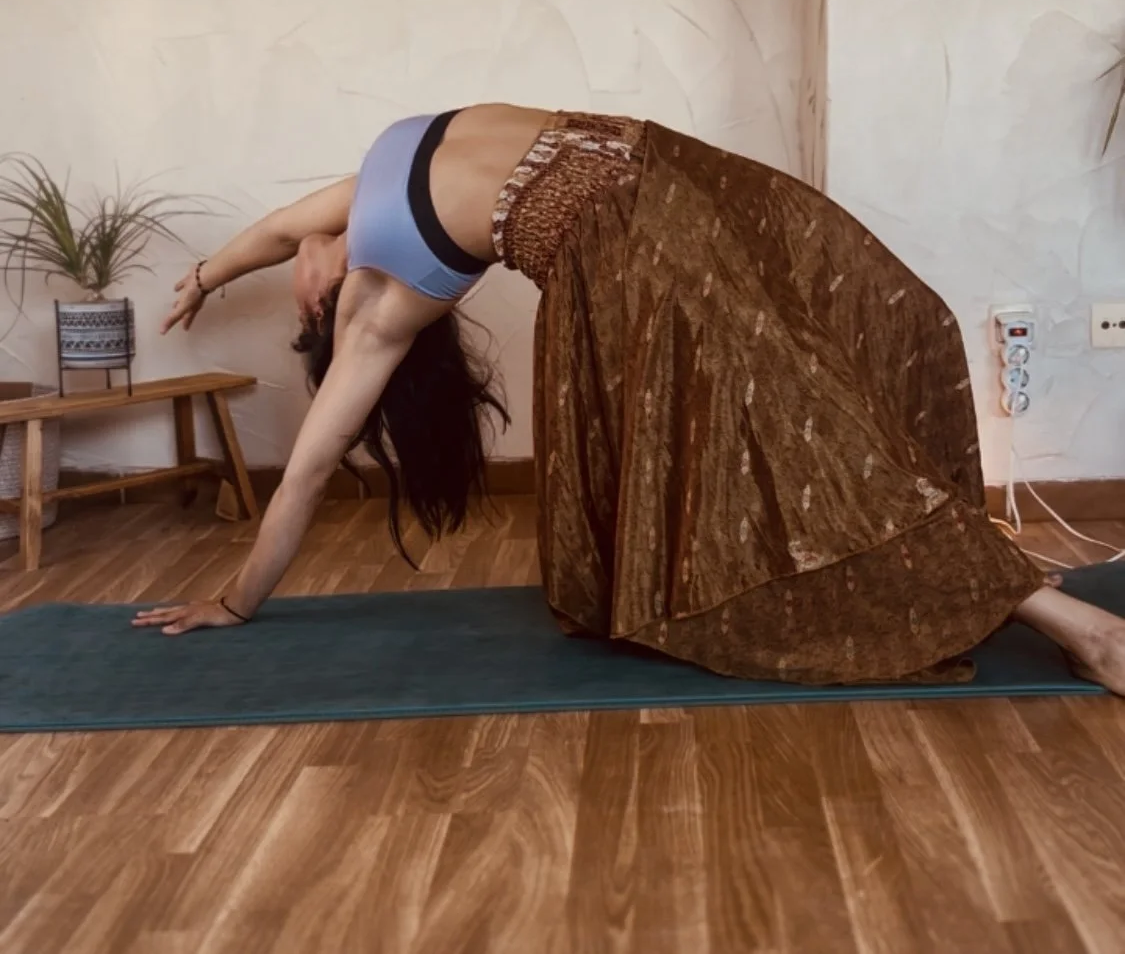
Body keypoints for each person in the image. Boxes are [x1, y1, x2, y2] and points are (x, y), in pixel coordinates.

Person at [133, 105, 1125, 696]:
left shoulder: (360, 192)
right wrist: (234, 597)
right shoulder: (379, 307)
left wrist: (205, 276)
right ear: (327, 317)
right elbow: (306, 468)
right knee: (797, 426)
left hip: (667, 162)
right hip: (627, 232)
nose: (296, 275)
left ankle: (998, 575)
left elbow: (270, 230)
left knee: (870, 308)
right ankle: (1074, 624)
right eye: (302, 307)